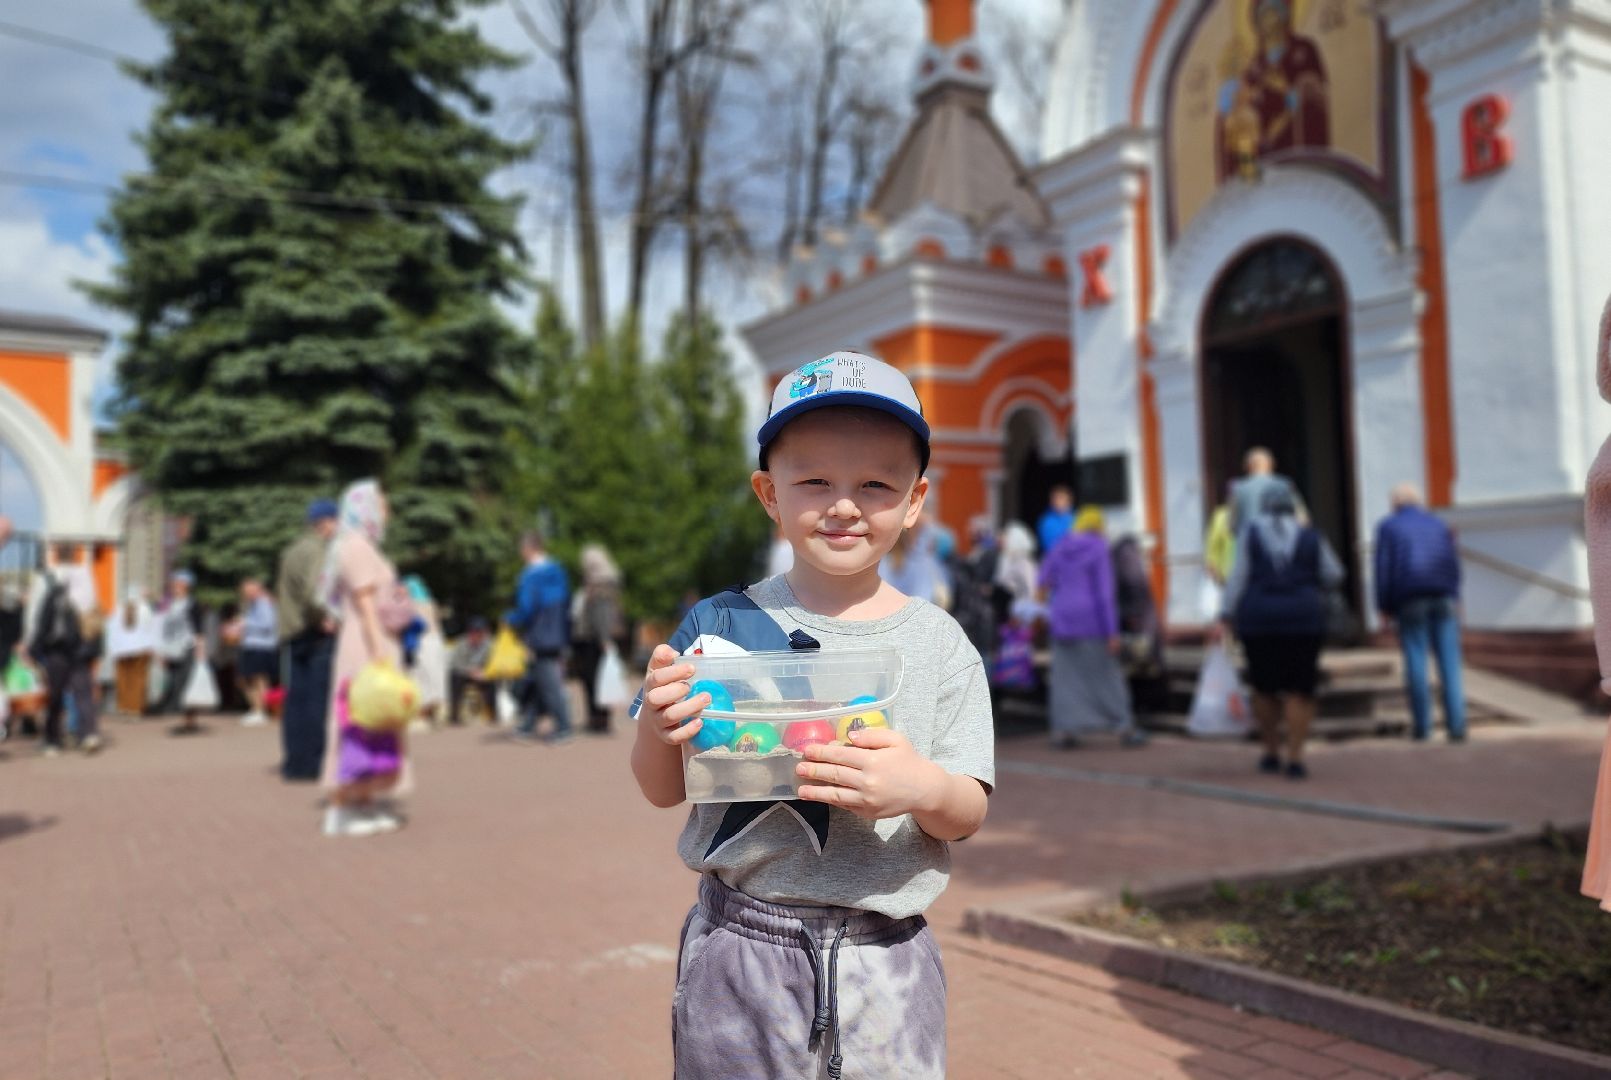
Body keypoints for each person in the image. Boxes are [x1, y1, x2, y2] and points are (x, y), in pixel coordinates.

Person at [631, 351, 993, 1079]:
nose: (844, 504)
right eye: (814, 481)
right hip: (740, 947)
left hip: (884, 953)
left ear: (916, 500)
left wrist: (921, 788)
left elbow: (966, 811)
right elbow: (663, 787)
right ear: (769, 493)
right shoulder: (719, 624)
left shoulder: (938, 644)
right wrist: (657, 723)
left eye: (875, 484)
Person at [1221, 487, 1344, 779]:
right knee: (1300, 689)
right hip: (1303, 619)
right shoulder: (1312, 535)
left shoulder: (1250, 534)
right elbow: (1334, 573)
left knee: (1264, 688)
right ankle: (1296, 757)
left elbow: (1238, 577)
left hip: (1259, 619)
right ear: (1293, 509)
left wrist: (1225, 614)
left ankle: (1270, 752)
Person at [319, 479, 409, 837]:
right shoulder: (356, 547)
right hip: (365, 645)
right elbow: (365, 604)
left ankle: (365, 802)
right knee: (359, 722)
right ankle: (341, 808)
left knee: (375, 723)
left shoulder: (359, 545)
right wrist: (379, 654)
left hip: (368, 641)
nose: (386, 510)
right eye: (381, 503)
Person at [1039, 508, 1147, 749]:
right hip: (1092, 621)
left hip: (1063, 618)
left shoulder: (1061, 545)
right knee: (1108, 677)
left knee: (1066, 679)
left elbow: (1042, 579)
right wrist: (1112, 632)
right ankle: (1124, 727)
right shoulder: (1099, 547)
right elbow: (1105, 593)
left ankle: (1065, 731)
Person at [1374, 483, 1466, 743]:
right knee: (1450, 661)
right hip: (1443, 595)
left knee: (1416, 659)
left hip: (1410, 597)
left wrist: (1383, 607)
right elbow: (1451, 560)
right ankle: (1457, 727)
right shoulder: (1437, 523)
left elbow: (1384, 568)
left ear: (1396, 503)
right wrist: (1455, 594)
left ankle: (1423, 728)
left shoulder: (1389, 526)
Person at [277, 499, 338, 782]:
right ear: (325, 522)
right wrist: (323, 617)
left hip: (293, 631)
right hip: (313, 632)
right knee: (316, 701)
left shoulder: (292, 550)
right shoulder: (318, 550)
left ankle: (295, 762)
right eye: (336, 522)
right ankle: (313, 763)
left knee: (296, 700)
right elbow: (316, 591)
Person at [26, 544, 99, 755]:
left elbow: (36, 612)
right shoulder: (85, 574)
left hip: (55, 646)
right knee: (83, 691)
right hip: (80, 645)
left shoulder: (46, 577)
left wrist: (30, 643)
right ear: (75, 555)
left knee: (55, 695)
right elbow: (93, 608)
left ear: (56, 554)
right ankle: (88, 735)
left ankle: (52, 740)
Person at [506, 530, 572, 743]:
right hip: (557, 633)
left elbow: (526, 607)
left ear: (527, 549)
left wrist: (511, 619)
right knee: (539, 679)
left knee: (548, 681)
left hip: (539, 635)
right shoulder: (558, 571)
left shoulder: (531, 575)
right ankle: (528, 724)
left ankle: (563, 726)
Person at [570, 544, 626, 735]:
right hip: (591, 640)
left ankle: (599, 720)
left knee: (595, 681)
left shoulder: (601, 586)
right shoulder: (602, 584)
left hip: (594, 641)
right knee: (593, 681)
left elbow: (602, 616)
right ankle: (597, 718)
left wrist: (605, 640)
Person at [156, 570, 208, 734]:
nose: (174, 587)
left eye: (178, 584)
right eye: (174, 583)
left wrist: (200, 652)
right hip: (172, 650)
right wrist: (163, 651)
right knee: (176, 683)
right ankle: (185, 720)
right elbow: (166, 629)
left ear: (186, 586)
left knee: (187, 683)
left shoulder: (192, 604)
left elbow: (199, 629)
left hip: (188, 648)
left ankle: (190, 721)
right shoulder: (171, 605)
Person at [1230, 447, 1306, 533]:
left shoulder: (1238, 488)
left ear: (1248, 466)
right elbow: (1302, 519)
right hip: (1281, 541)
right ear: (1271, 464)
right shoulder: (1285, 485)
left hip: (1247, 542)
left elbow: (1232, 524)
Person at [106, 588, 156, 717]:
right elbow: (151, 628)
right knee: (138, 678)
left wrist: (113, 647)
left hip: (121, 649)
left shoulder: (118, 608)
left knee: (123, 678)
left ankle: (124, 707)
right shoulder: (145, 608)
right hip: (141, 649)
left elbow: (111, 629)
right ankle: (136, 708)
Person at [236, 577, 278, 726]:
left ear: (256, 588)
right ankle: (256, 708)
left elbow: (267, 624)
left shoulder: (264, 602)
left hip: (261, 646)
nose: (245, 593)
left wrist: (245, 623)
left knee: (258, 679)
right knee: (246, 679)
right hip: (251, 645)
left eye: (248, 589)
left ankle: (260, 710)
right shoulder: (253, 604)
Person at [448, 617, 495, 726]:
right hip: (465, 673)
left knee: (492, 681)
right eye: (474, 632)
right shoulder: (461, 643)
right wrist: (470, 671)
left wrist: (485, 672)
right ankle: (454, 716)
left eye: (480, 632)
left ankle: (493, 714)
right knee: (455, 677)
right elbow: (455, 664)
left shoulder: (489, 643)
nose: (477, 635)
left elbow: (493, 662)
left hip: (482, 673)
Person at [1037, 484, 1075, 555]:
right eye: (1055, 498)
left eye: (1061, 498)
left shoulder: (1077, 519)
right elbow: (1050, 545)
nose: (1057, 501)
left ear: (1069, 500)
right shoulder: (1046, 521)